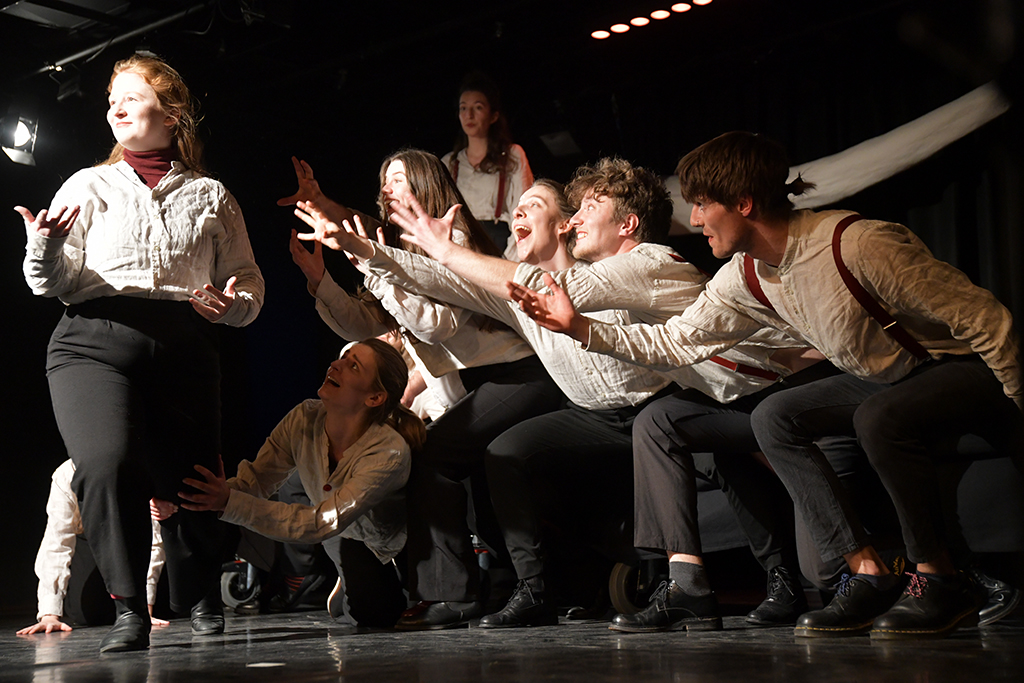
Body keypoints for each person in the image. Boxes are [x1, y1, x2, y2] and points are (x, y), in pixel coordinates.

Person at [510, 131, 1023, 639]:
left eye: (702, 205)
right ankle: (867, 575)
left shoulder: (856, 242)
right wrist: (580, 328)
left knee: (876, 417)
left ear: (744, 203)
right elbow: (678, 341)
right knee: (774, 417)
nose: (694, 220)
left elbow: (985, 319)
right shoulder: (744, 275)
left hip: (952, 366)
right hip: (879, 380)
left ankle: (941, 578)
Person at [309, 160, 812, 630]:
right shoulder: (537, 286)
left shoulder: (641, 263)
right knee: (507, 453)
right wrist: (366, 251)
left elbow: (550, 287)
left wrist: (445, 250)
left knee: (716, 452)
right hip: (597, 415)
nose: (523, 214)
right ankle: (535, 588)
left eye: (545, 206)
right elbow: (451, 283)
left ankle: (776, 576)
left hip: (667, 401)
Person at [17, 53, 264, 653]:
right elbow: (49, 282)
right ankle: (129, 607)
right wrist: (44, 245)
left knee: (194, 478)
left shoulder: (211, 194)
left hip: (184, 342)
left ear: (171, 113)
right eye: (111, 101)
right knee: (106, 463)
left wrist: (231, 306)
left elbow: (250, 286)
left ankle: (200, 593)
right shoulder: (88, 184)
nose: (116, 108)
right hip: (92, 340)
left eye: (131, 96)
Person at [285, 149, 565, 629]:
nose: (388, 188)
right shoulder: (399, 250)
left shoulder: (451, 238)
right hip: (479, 382)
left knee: (433, 456)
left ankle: (453, 595)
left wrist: (372, 265)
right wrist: (321, 282)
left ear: (424, 184)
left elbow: (436, 324)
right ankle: (481, 586)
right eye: (385, 180)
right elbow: (370, 327)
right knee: (454, 465)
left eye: (398, 179)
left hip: (518, 372)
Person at [180, 339, 425, 627]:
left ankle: (360, 587)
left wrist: (230, 503)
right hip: (342, 534)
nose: (336, 364)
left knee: (392, 616)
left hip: (393, 541)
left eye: (353, 366)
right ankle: (348, 584)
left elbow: (320, 522)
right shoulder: (304, 418)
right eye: (344, 357)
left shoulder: (387, 451)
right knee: (369, 615)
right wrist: (215, 494)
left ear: (374, 398)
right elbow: (258, 478)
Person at [16, 461, 172, 636]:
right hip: (90, 539)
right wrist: (49, 615)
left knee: (164, 604)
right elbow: (58, 542)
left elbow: (153, 540)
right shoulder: (67, 473)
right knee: (88, 612)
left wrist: (145, 609)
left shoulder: (135, 466)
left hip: (133, 539)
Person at [443, 72, 533, 256]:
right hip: (461, 246)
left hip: (499, 244)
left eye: (478, 108)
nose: (469, 115)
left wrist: (510, 261)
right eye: (463, 108)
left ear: (493, 116)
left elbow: (524, 210)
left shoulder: (512, 155)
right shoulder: (450, 163)